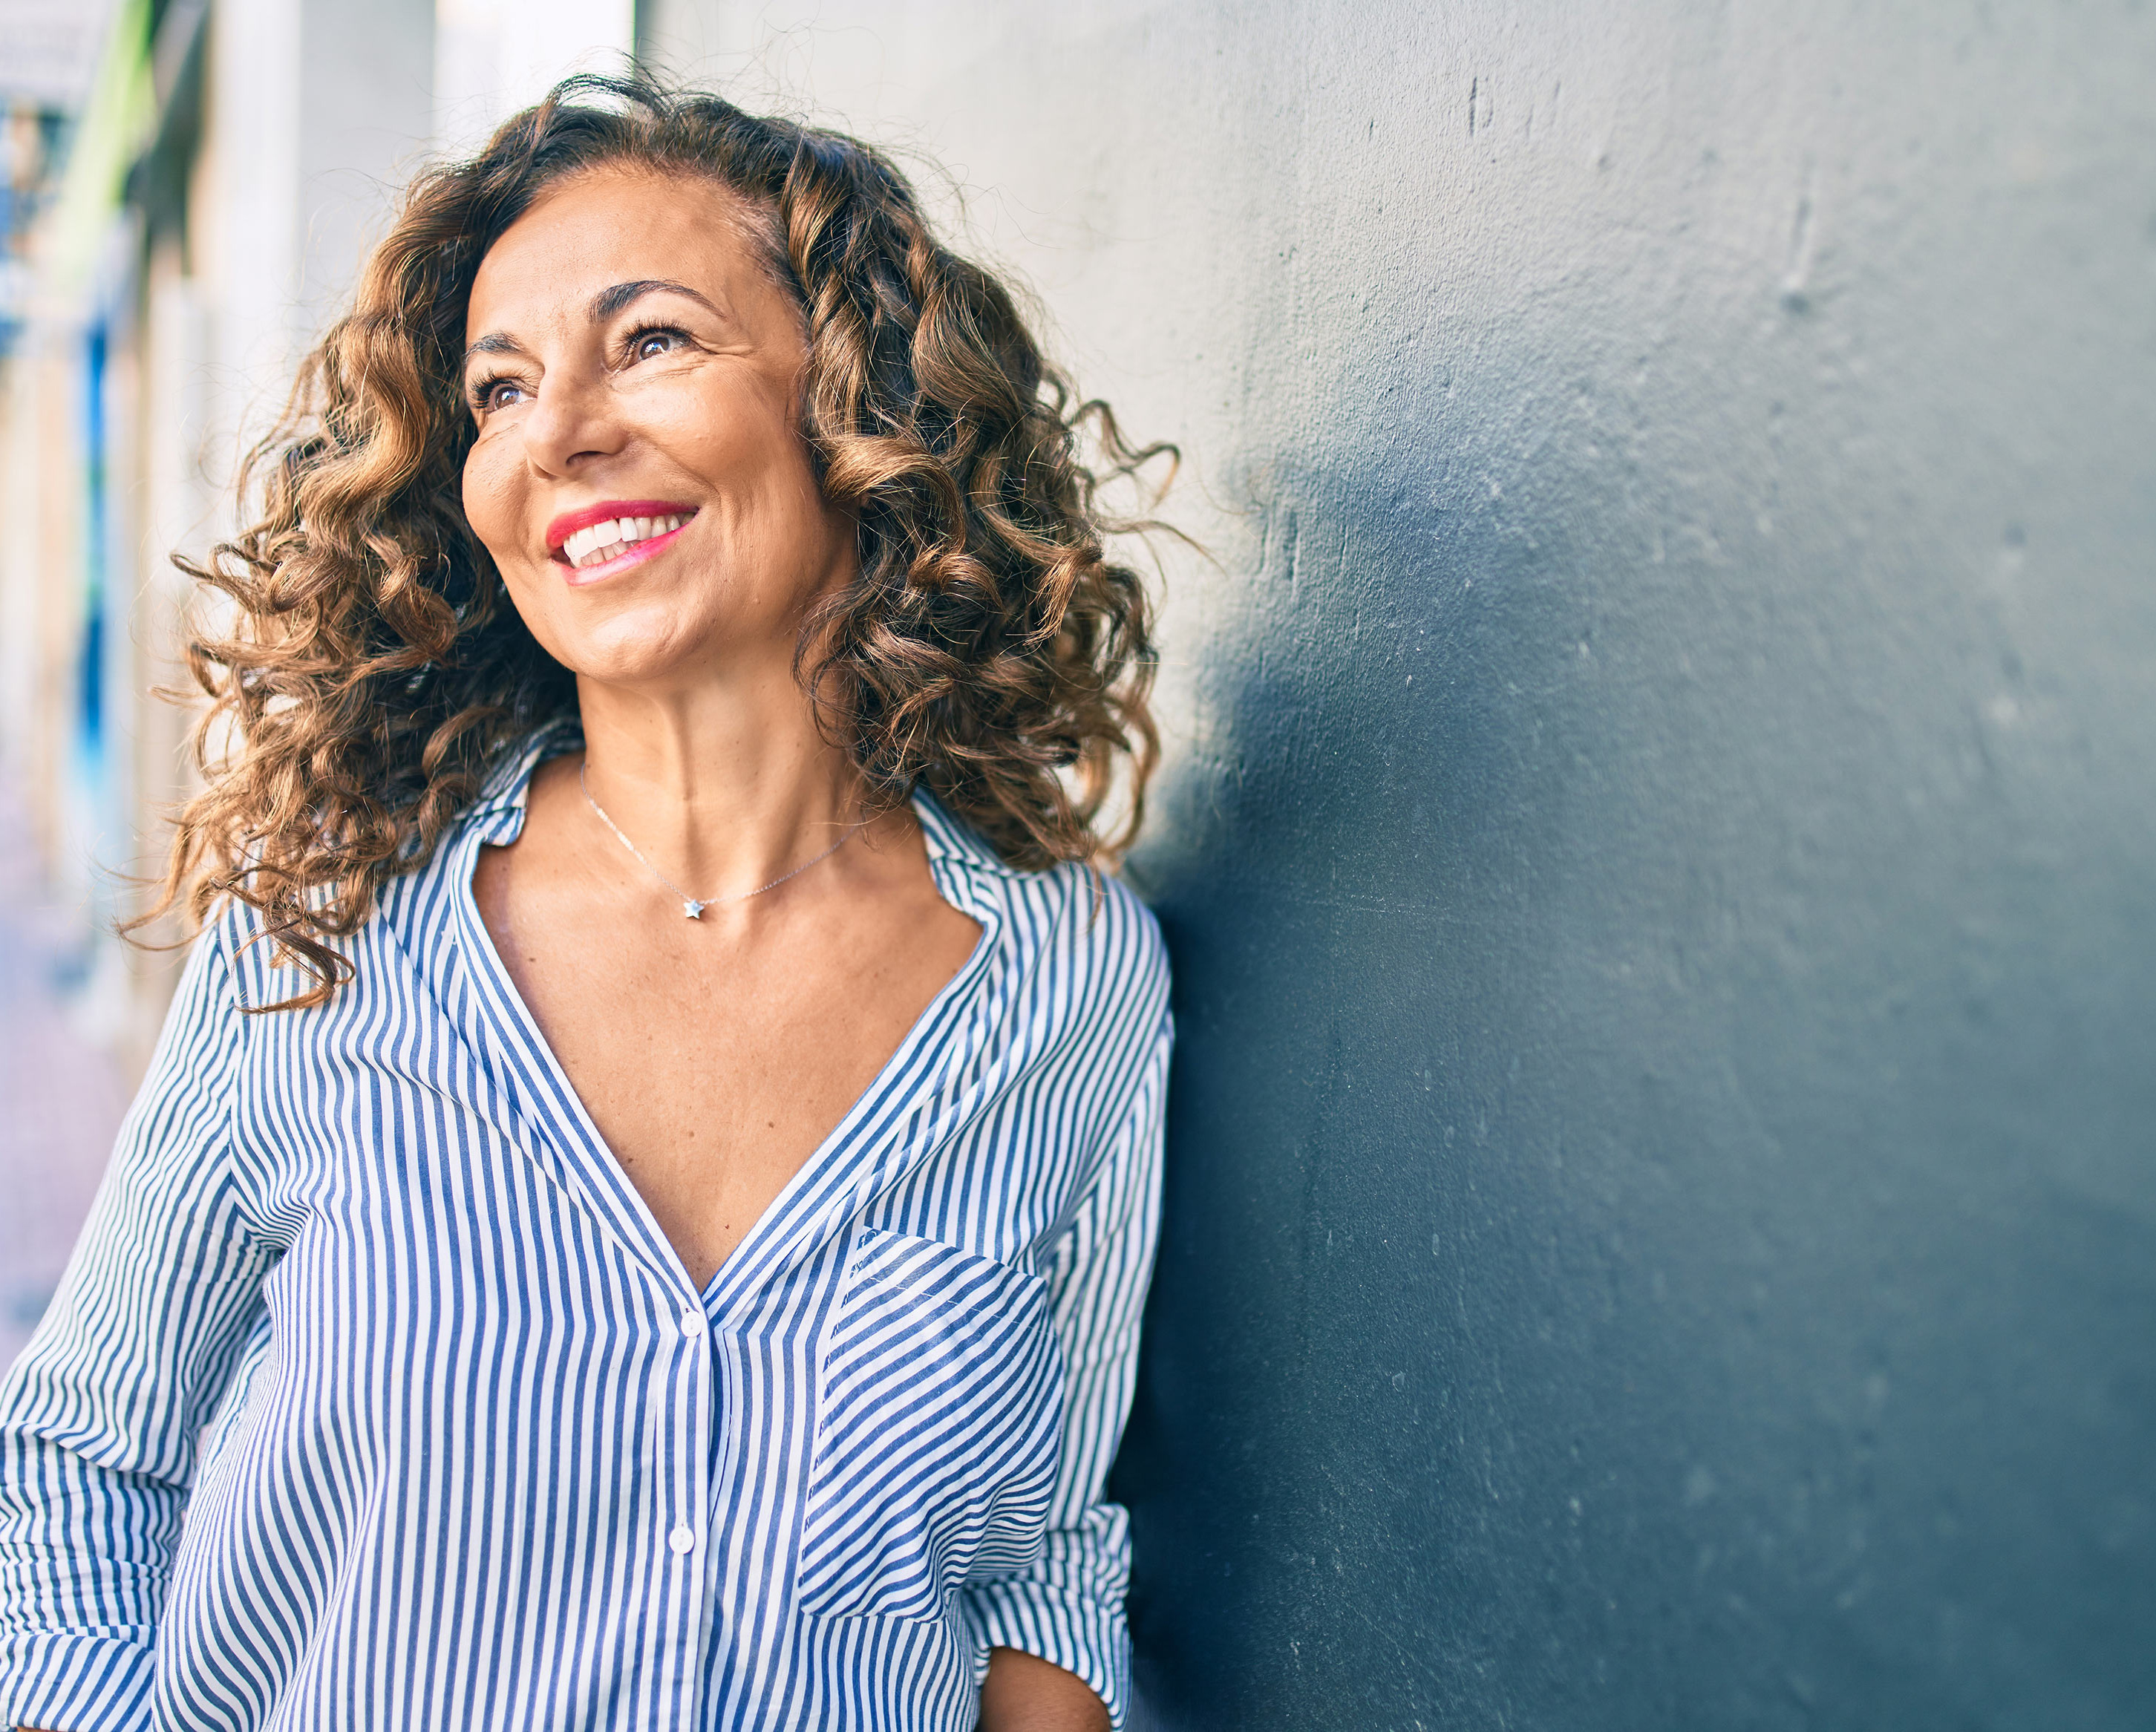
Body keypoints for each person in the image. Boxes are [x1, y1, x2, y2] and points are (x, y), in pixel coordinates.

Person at [0, 73, 1170, 1732]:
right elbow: (79, 1467)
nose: (554, 434)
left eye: (653, 343)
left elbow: (1041, 1559)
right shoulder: (329, 934)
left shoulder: (1069, 980)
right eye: (497, 388)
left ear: (861, 406)